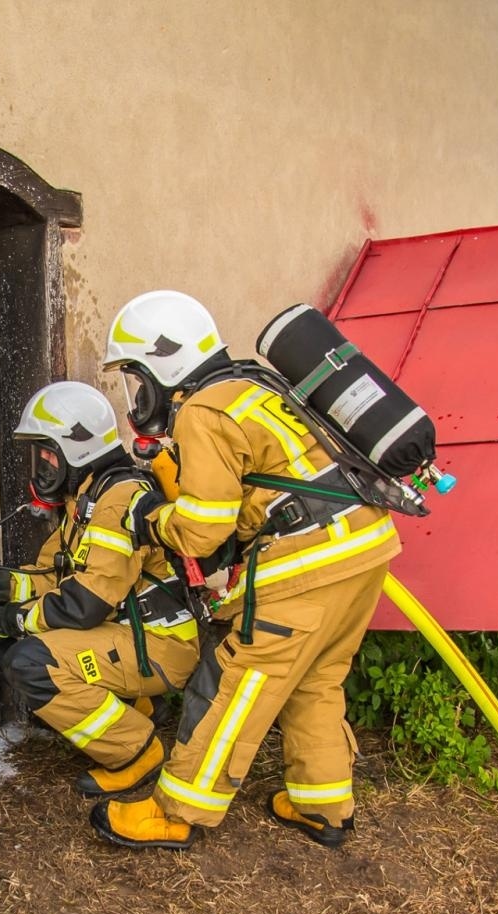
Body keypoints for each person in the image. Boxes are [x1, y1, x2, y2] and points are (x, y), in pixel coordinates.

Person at [94, 290, 401, 850]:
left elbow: (203, 528)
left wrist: (150, 521)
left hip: (306, 564)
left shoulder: (204, 411)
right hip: (365, 547)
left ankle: (178, 812)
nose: (138, 394)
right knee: (319, 677)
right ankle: (323, 806)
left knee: (240, 683)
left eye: (138, 378)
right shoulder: (255, 386)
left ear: (163, 363)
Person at [0, 381, 201, 798]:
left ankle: (136, 750)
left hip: (160, 643)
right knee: (10, 642)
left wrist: (15, 617)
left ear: (76, 447)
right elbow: (50, 576)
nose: (40, 466)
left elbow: (85, 604)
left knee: (30, 662)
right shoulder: (86, 501)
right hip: (127, 634)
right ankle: (138, 708)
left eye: (47, 453)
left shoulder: (119, 499)